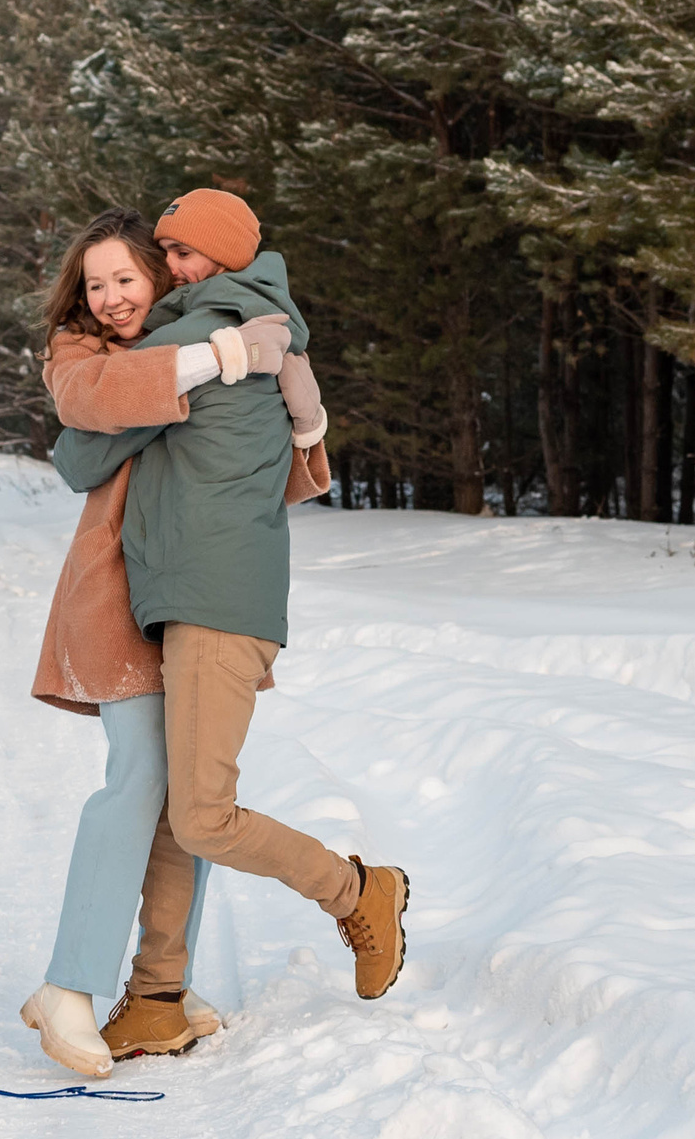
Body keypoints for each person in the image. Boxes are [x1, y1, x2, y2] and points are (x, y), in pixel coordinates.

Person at [34, 191, 412, 1079]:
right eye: (97, 284)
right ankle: (136, 991)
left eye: (133, 273)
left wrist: (248, 376)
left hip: (197, 595)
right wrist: (227, 362)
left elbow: (276, 463)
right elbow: (83, 442)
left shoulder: (216, 333)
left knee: (188, 808)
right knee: (156, 794)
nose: (115, 295)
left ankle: (351, 894)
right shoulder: (182, 340)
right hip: (140, 602)